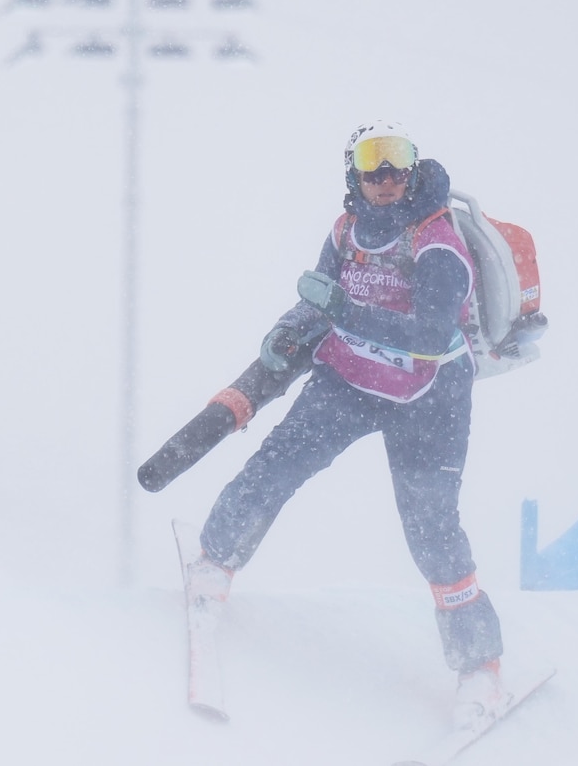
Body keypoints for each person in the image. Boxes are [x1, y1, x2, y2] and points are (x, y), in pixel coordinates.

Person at [188, 121, 508, 726]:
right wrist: (288, 337)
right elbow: (319, 302)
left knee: (431, 528)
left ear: (412, 168)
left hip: (428, 395)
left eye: (397, 162)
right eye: (372, 163)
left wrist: (344, 311)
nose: (386, 177)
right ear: (353, 172)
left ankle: (481, 668)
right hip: (350, 378)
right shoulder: (345, 231)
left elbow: (430, 338)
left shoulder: (437, 241)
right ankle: (215, 561)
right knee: (278, 463)